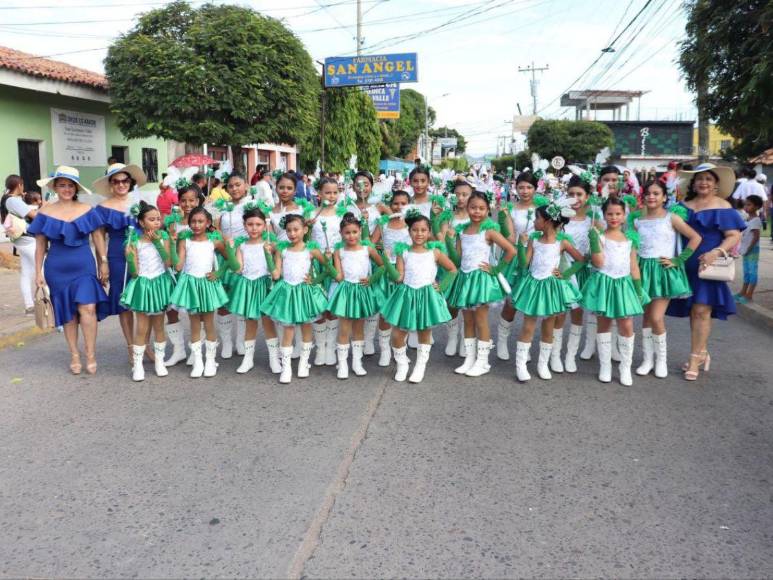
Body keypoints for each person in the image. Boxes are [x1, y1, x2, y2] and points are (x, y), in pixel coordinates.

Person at [666, 163, 745, 381]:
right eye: (700, 178)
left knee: (701, 310)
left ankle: (694, 359)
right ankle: (701, 352)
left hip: (708, 267)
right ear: (693, 183)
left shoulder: (723, 207)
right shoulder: (681, 206)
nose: (704, 182)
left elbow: (734, 236)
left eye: (709, 179)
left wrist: (716, 252)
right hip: (684, 267)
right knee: (695, 311)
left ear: (716, 184)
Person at [28, 166, 109, 374]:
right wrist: (38, 273)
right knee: (68, 313)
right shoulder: (44, 212)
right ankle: (74, 354)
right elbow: (40, 245)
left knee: (88, 308)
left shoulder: (87, 209)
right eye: (62, 185)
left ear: (76, 188)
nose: (66, 189)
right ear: (55, 187)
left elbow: (98, 236)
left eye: (70, 185)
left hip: (84, 265)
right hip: (56, 268)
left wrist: (103, 261)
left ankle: (90, 353)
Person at [631, 180, 701, 378]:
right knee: (645, 317)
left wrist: (679, 260)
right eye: (647, 193)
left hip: (662, 272)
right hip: (643, 271)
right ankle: (647, 359)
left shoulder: (671, 218)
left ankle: (661, 360)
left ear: (664, 197)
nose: (651, 197)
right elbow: (634, 247)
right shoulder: (637, 220)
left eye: (656, 193)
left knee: (656, 317)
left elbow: (695, 238)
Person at [510, 198, 585, 382]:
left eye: (537, 218)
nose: (534, 222)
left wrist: (565, 274)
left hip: (551, 287)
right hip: (534, 285)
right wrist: (521, 244)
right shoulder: (534, 239)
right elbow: (524, 264)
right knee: (528, 325)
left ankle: (542, 364)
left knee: (548, 327)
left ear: (548, 221)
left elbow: (581, 260)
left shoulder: (562, 242)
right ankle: (520, 365)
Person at [379, 210, 457, 383]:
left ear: (429, 232)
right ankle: (402, 364)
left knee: (424, 332)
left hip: (426, 295)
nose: (419, 234)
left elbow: (452, 269)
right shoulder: (403, 252)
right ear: (409, 232)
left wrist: (441, 286)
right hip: (406, 295)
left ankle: (420, 366)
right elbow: (398, 278)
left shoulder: (435, 252)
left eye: (423, 230)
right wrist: (386, 261)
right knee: (398, 334)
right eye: (415, 230)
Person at [444, 191, 516, 377]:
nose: (477, 211)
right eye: (473, 207)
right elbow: (457, 260)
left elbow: (511, 250)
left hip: (480, 280)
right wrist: (449, 240)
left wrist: (496, 269)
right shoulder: (461, 231)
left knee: (481, 320)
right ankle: (469, 358)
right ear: (467, 208)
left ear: (487, 209)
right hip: (465, 279)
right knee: (467, 320)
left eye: (481, 208)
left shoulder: (489, 231)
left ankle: (483, 362)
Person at [581, 198, 649, 386]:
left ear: (624, 215)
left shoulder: (630, 238)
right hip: (605, 283)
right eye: (610, 214)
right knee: (604, 323)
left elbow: (634, 266)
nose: (614, 217)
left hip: (624, 284)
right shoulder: (599, 236)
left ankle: (625, 367)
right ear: (604, 215)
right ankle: (605, 366)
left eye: (618, 213)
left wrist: (638, 290)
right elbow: (598, 263)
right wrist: (594, 241)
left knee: (626, 324)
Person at [260, 213, 334, 384]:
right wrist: (268, 255)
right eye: (289, 230)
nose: (292, 233)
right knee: (288, 329)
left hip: (305, 292)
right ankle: (286, 367)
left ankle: (303, 363)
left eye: (296, 229)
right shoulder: (282, 250)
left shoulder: (311, 249)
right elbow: (276, 274)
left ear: (305, 230)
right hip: (287, 292)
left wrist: (315, 280)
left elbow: (328, 268)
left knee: (307, 327)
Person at [93, 163, 148, 364]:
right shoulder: (102, 208)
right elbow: (98, 236)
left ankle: (144, 345)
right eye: (116, 181)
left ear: (130, 182)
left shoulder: (140, 203)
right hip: (117, 255)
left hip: (143, 253)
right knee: (124, 300)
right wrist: (103, 262)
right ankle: (131, 346)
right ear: (111, 184)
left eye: (125, 180)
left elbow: (152, 225)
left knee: (144, 299)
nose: (121, 184)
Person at [169, 207, 232, 378]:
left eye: (200, 221)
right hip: (191, 285)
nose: (196, 225)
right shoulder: (185, 241)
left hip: (207, 284)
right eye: (193, 222)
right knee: (195, 324)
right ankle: (198, 361)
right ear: (189, 223)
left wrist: (218, 273)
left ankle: (210, 360)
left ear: (208, 223)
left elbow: (229, 259)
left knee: (209, 323)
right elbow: (178, 266)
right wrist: (172, 243)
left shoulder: (214, 242)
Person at [120, 201, 176, 381]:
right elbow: (135, 272)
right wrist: (129, 257)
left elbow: (169, 262)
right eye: (152, 219)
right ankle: (138, 365)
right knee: (142, 327)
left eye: (158, 219)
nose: (157, 222)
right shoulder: (135, 241)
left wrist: (158, 243)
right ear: (141, 222)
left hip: (160, 283)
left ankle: (159, 361)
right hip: (143, 285)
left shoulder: (164, 237)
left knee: (159, 326)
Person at [327, 213, 384, 379]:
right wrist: (328, 262)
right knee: (344, 328)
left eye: (354, 232)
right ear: (341, 233)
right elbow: (339, 277)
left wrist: (371, 279)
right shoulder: (339, 252)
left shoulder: (368, 249)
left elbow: (382, 266)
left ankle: (357, 362)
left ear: (360, 231)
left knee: (359, 328)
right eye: (347, 233)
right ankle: (343, 364)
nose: (351, 236)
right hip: (346, 292)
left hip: (362, 290)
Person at [226, 203, 281, 374]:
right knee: (250, 323)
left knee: (268, 323)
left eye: (258, 224)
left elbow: (276, 267)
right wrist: (230, 249)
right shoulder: (242, 245)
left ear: (264, 226)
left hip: (265, 285)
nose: (254, 228)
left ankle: (274, 359)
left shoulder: (271, 244)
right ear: (244, 225)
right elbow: (238, 269)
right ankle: (248, 359)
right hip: (249, 286)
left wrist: (271, 252)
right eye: (250, 224)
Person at [552, 175, 598, 373]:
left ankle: (570, 356)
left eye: (580, 194)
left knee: (577, 313)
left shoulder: (592, 220)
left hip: (581, 270)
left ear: (587, 196)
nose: (575, 198)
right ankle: (555, 355)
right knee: (559, 313)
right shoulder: (559, 217)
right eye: (571, 193)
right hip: (561, 270)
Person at [497, 172, 538, 360]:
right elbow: (510, 238)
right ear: (515, 188)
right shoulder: (510, 209)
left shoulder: (543, 209)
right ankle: (502, 341)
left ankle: (524, 346)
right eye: (521, 187)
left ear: (536, 188)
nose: (525, 191)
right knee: (511, 303)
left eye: (529, 187)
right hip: (516, 257)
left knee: (531, 305)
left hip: (537, 258)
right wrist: (504, 218)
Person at [162, 183, 203, 366]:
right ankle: (178, 350)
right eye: (183, 200)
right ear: (178, 202)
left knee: (197, 313)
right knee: (171, 310)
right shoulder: (172, 222)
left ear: (198, 201)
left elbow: (213, 241)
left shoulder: (203, 220)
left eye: (192, 200)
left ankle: (196, 350)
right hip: (174, 272)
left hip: (195, 271)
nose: (187, 204)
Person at [370, 190, 411, 367]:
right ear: (390, 204)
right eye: (395, 203)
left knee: (402, 311)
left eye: (403, 203)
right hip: (387, 270)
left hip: (406, 271)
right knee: (385, 313)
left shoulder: (411, 223)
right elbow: (370, 243)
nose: (399, 207)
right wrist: (381, 256)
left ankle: (400, 348)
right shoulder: (383, 223)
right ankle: (385, 349)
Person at [215, 172, 252, 360]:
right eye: (230, 186)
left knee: (242, 299)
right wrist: (223, 240)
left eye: (238, 184)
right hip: (224, 253)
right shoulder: (221, 207)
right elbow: (215, 229)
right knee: (224, 301)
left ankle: (241, 341)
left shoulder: (252, 205)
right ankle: (227, 342)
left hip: (245, 254)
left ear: (246, 186)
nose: (235, 188)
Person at [349, 169, 384, 355]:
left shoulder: (378, 207)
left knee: (372, 297)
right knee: (355, 297)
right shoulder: (346, 207)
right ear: (353, 186)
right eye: (358, 184)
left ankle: (369, 339)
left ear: (372, 186)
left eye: (366, 184)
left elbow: (375, 236)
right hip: (353, 257)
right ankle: (357, 338)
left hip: (372, 255)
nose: (362, 188)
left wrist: (368, 230)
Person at [438, 178, 473, 356]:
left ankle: (466, 339)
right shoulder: (448, 217)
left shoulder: (475, 215)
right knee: (451, 303)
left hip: (470, 264)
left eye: (465, 194)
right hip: (452, 263)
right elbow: (441, 237)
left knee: (467, 303)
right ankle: (452, 337)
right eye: (457, 194)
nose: (460, 198)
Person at [2, 175, 38, 313]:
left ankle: (29, 305)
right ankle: (52, 301)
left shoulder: (6, 199)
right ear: (19, 185)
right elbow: (34, 215)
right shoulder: (13, 201)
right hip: (28, 241)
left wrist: (21, 198)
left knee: (26, 273)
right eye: (22, 185)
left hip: (19, 241)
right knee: (43, 270)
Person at [736, 195, 763, 304]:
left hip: (752, 250)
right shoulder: (748, 219)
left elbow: (756, 237)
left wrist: (748, 249)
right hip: (746, 249)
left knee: (752, 272)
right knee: (746, 271)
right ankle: (743, 292)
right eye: (745, 204)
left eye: (749, 205)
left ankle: (749, 295)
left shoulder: (756, 220)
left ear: (756, 207)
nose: (746, 207)